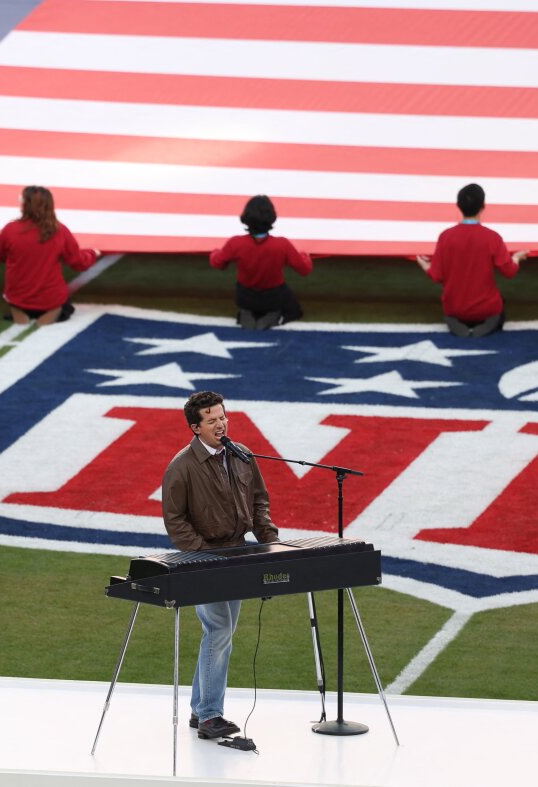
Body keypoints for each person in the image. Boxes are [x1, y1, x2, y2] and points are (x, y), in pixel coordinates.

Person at [161, 391, 279, 741]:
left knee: (222, 633)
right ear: (196, 428)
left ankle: (201, 710)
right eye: (212, 420)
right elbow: (175, 520)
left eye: (223, 417)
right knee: (218, 632)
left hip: (238, 554)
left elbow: (259, 500)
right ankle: (211, 714)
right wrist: (202, 555)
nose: (221, 424)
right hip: (206, 560)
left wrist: (270, 541)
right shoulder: (181, 467)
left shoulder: (241, 455)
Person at [416, 183, 529, 338]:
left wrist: (425, 265)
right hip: (487, 308)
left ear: (458, 206)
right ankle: (487, 325)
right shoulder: (492, 238)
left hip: (454, 308)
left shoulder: (446, 237)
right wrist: (515, 258)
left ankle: (455, 323)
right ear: (483, 206)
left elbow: (437, 275)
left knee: (452, 312)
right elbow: (509, 271)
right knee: (499, 309)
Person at [0, 185, 97, 325]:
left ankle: (20, 312)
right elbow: (78, 262)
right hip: (50, 299)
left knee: (18, 303)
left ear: (24, 205)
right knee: (62, 306)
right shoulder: (60, 231)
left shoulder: (10, 230)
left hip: (17, 297)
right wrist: (93, 253)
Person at [210, 195, 313, 328]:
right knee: (295, 310)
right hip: (273, 297)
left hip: (245, 297)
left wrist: (215, 253)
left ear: (246, 217)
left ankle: (247, 314)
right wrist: (305, 255)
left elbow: (217, 263)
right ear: (271, 217)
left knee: (249, 300)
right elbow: (305, 270)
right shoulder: (282, 244)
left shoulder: (235, 243)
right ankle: (273, 315)